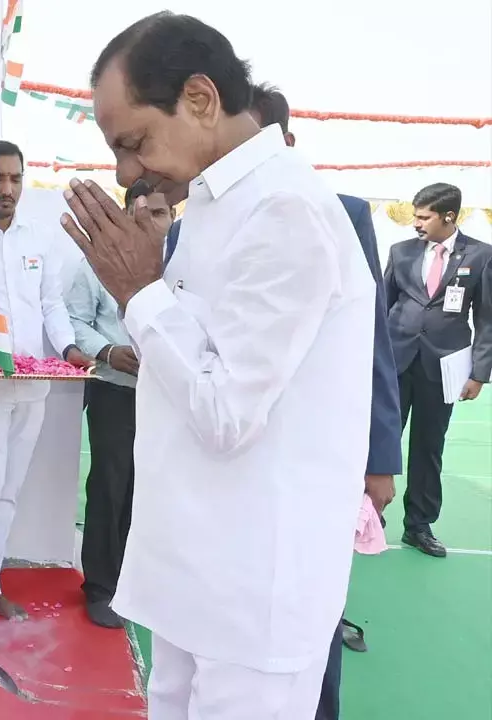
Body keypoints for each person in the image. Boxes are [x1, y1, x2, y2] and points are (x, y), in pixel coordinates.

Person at [61, 13, 374, 718]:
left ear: (200, 99)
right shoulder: (214, 204)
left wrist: (139, 293)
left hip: (252, 595)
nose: (125, 171)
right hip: (194, 572)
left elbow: (227, 411)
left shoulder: (286, 209)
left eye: (133, 142)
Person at [240, 81, 403, 720]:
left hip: (319, 458)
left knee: (313, 612)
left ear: (287, 139)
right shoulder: (193, 225)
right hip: (240, 454)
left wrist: (381, 454)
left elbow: (373, 345)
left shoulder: (345, 212)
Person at [0, 140, 93, 625]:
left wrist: (68, 349)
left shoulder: (39, 237)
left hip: (36, 380)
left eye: (16, 179)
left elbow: (51, 305)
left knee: (10, 489)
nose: (8, 190)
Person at [65, 179, 173, 629]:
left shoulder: (183, 263)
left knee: (155, 489)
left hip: (170, 395)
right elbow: (73, 319)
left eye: (161, 214)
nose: (152, 223)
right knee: (112, 484)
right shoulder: (96, 265)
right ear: (128, 214)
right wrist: (109, 352)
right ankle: (102, 586)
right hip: (115, 389)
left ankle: (141, 585)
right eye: (143, 213)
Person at [385, 182, 492, 557]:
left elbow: (487, 318)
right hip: (396, 362)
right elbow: (384, 307)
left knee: (429, 447)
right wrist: (375, 362)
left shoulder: (480, 255)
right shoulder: (400, 252)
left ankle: (418, 525)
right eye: (415, 215)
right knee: (380, 441)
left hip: (443, 366)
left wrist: (479, 373)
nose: (416, 223)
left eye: (423, 216)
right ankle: (366, 515)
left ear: (448, 216)